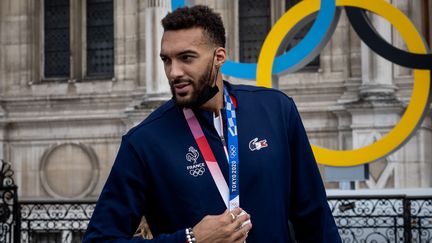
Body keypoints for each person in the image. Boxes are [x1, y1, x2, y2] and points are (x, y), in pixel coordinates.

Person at [83, 5, 341, 243]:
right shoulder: (143, 142)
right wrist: (190, 239)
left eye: (187, 58)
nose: (174, 72)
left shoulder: (276, 111)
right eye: (166, 60)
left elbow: (315, 218)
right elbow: (100, 239)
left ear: (219, 57)